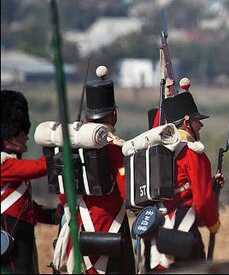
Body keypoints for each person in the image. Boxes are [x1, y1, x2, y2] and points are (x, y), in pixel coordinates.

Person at [52, 65, 135, 274]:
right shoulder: (117, 149)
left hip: (79, 230)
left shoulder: (71, 147)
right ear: (113, 115)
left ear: (88, 117)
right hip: (111, 232)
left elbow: (64, 195)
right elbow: (127, 193)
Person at [149, 78, 221, 270]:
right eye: (197, 120)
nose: (201, 125)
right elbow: (203, 201)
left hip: (157, 230)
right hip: (184, 231)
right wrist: (213, 223)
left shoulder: (158, 148)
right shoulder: (193, 153)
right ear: (187, 122)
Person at [1, 90, 61, 274]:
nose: (26, 136)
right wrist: (60, 155)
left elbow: (24, 206)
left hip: (21, 237)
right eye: (21, 132)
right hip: (8, 239)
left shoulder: (11, 163)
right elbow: (36, 168)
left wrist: (50, 215)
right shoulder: (4, 164)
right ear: (9, 135)